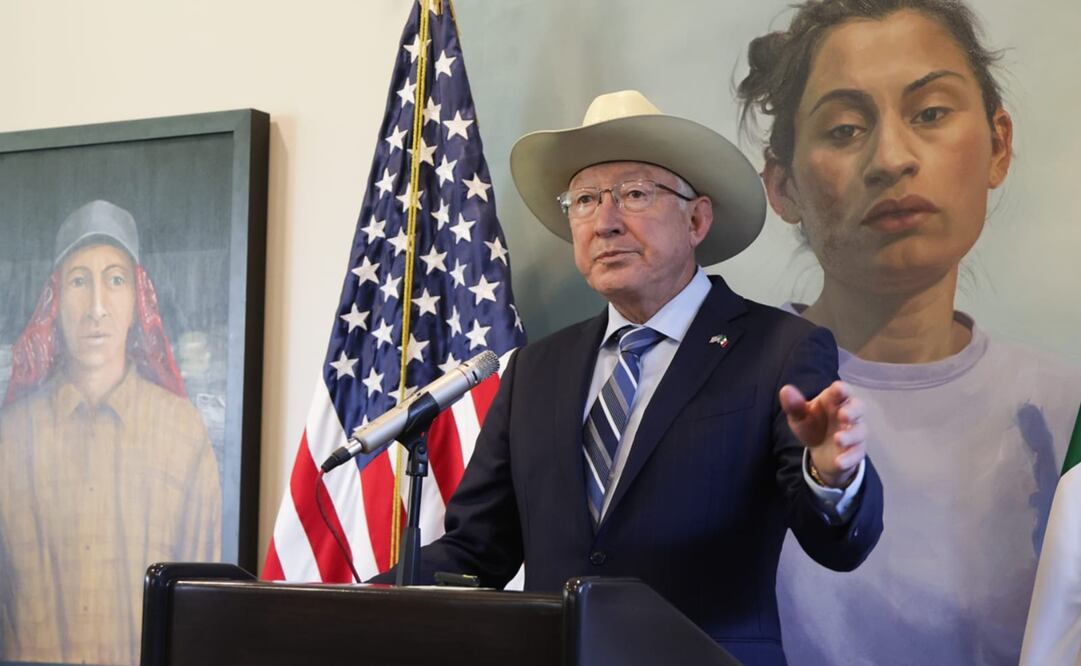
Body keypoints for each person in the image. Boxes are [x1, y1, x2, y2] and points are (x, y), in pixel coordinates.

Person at [372, 90, 883, 665]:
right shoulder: (535, 369)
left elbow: (838, 546)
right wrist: (354, 606)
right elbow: (477, 548)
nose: (605, 221)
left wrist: (832, 477)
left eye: (634, 194)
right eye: (585, 200)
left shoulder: (779, 349)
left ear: (696, 219)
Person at [736, 1, 1081, 663]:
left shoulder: (1067, 415)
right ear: (781, 186)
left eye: (928, 113)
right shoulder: (716, 397)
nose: (890, 158)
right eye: (842, 129)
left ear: (997, 144)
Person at [0, 200, 221, 665]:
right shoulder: (9, 439)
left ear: (138, 298)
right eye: (79, 280)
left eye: (115, 279)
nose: (96, 306)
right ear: (55, 300)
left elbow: (206, 612)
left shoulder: (183, 435)